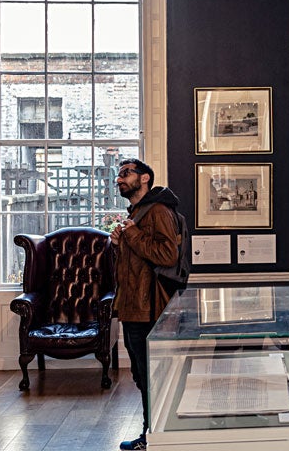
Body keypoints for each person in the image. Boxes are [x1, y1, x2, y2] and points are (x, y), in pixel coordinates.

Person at [110, 158, 183, 450]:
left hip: (149, 309)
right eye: (118, 175)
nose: (119, 179)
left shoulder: (159, 211)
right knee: (142, 377)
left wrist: (132, 234)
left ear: (144, 179)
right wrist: (119, 244)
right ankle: (153, 436)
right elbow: (135, 264)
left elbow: (168, 255)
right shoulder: (138, 213)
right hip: (133, 308)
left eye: (126, 173)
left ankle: (153, 439)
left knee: (152, 377)